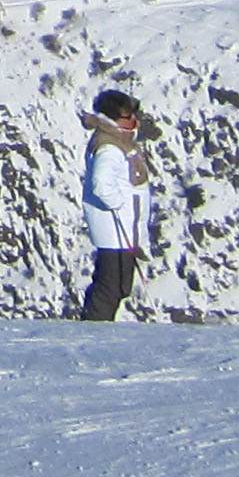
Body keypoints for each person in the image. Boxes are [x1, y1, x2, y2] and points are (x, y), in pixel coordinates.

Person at [74, 90, 148, 320]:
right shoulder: (109, 147)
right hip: (115, 228)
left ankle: (98, 325)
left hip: (122, 227)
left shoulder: (119, 143)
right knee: (111, 286)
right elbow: (101, 184)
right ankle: (95, 329)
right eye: (128, 117)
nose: (134, 122)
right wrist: (118, 204)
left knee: (119, 285)